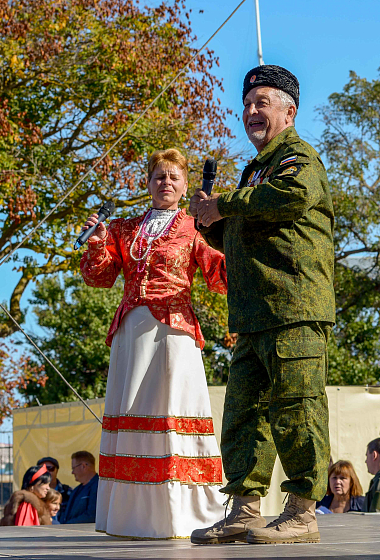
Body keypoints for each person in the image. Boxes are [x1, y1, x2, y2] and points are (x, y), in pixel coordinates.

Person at [190, 64, 335, 546]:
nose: (252, 111)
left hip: (295, 309)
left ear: (289, 111)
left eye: (263, 103)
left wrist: (226, 203)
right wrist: (210, 220)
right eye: (248, 104)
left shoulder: (298, 158)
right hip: (254, 316)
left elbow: (291, 196)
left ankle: (302, 512)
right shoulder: (256, 170)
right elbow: (245, 225)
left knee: (298, 409)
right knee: (244, 416)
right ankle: (244, 510)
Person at [79, 147, 227, 539]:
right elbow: (99, 278)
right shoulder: (125, 229)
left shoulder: (196, 227)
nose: (166, 183)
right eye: (159, 176)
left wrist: (244, 243)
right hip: (131, 333)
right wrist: (96, 242)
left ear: (184, 186)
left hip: (174, 333)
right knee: (132, 412)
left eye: (174, 177)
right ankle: (131, 517)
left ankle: (184, 515)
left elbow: (219, 275)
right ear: (147, 184)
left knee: (173, 411)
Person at [57, 451, 99, 525]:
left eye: (73, 468)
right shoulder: (76, 490)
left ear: (83, 466)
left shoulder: (98, 487)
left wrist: (68, 526)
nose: (72, 472)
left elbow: (92, 516)